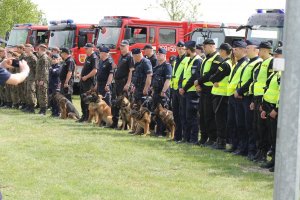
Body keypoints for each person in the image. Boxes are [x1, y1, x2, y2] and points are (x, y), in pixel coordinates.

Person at [234, 40, 262, 159]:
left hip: (250, 97)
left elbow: (251, 80)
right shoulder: (248, 62)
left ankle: (251, 150)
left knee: (250, 126)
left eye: (248, 48)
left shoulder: (258, 62)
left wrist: (240, 91)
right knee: (242, 124)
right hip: (243, 97)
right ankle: (243, 148)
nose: (246, 50)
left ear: (256, 50)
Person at [195, 38, 222, 146]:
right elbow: (202, 73)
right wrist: (199, 85)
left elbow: (211, 73)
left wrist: (198, 82)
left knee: (209, 115)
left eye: (205, 47)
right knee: (202, 114)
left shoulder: (217, 58)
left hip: (211, 90)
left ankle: (212, 138)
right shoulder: (206, 58)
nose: (203, 49)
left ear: (211, 46)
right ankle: (204, 137)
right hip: (204, 90)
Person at [251, 41, 274, 162]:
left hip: (264, 98)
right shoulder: (261, 63)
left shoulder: (271, 62)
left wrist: (263, 102)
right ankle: (259, 151)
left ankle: (263, 153)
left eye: (259, 49)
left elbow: (270, 82)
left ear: (265, 50)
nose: (258, 52)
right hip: (257, 97)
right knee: (257, 127)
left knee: (263, 128)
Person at [260, 47, 282, 172]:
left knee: (276, 138)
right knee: (271, 137)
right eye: (274, 56)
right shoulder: (276, 73)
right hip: (269, 107)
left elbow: (282, 94)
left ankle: (277, 163)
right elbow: (268, 90)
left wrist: (276, 109)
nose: (275, 58)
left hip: (276, 109)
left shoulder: (282, 75)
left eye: (278, 56)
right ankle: (273, 161)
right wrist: (264, 107)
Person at [225, 41, 249, 154]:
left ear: (244, 50)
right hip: (231, 96)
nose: (234, 51)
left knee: (240, 124)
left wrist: (240, 92)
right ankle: (235, 145)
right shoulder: (237, 63)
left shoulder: (245, 63)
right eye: (233, 49)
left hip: (239, 96)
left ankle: (241, 147)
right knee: (232, 122)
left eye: (237, 49)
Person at [209, 43, 232, 149]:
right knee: (221, 119)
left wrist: (213, 80)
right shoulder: (230, 62)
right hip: (222, 94)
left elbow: (215, 76)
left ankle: (221, 142)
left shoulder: (225, 64)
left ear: (223, 51)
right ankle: (221, 140)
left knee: (220, 120)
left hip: (220, 94)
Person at [178, 40, 201, 144]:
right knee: (184, 115)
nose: (184, 50)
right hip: (185, 92)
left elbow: (194, 77)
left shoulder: (198, 60)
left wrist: (184, 88)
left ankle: (193, 139)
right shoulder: (187, 59)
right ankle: (185, 137)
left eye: (186, 49)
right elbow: (182, 75)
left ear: (191, 49)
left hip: (192, 92)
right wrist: (180, 87)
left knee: (192, 116)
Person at [110, 40, 134, 128]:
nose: (122, 48)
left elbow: (131, 71)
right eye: (121, 46)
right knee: (116, 103)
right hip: (117, 83)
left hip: (124, 83)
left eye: (123, 46)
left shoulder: (129, 57)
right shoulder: (121, 56)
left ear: (128, 47)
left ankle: (127, 125)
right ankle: (115, 122)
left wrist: (128, 83)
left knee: (125, 106)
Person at [171, 41, 189, 142]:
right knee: (176, 114)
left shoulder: (187, 59)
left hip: (182, 89)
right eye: (179, 48)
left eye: (182, 48)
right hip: (174, 89)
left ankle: (183, 136)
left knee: (182, 114)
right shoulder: (176, 59)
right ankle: (177, 136)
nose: (180, 50)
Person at [151, 47, 172, 136]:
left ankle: (162, 132)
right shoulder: (156, 67)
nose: (158, 55)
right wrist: (152, 90)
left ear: (164, 55)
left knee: (163, 113)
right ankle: (157, 131)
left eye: (160, 54)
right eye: (157, 54)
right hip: (156, 92)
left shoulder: (167, 66)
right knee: (156, 112)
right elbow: (154, 79)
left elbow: (168, 80)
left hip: (163, 93)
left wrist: (163, 91)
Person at [78, 43, 98, 122]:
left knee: (87, 100)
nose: (85, 50)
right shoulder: (88, 57)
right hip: (83, 81)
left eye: (87, 48)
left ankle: (88, 117)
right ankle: (84, 116)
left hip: (89, 82)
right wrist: (81, 75)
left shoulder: (94, 57)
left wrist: (86, 77)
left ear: (92, 48)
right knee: (82, 99)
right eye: (85, 48)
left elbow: (95, 70)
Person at [36, 44, 51, 115]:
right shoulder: (40, 57)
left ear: (40, 49)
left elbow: (45, 70)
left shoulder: (44, 58)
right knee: (40, 94)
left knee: (43, 94)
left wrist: (42, 79)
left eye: (38, 49)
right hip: (39, 79)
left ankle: (43, 110)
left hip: (43, 79)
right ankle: (41, 109)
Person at [23, 44, 37, 113]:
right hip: (27, 77)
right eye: (25, 48)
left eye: (26, 48)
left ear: (31, 49)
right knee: (27, 92)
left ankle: (32, 107)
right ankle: (28, 105)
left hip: (32, 78)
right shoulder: (26, 57)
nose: (25, 49)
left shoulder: (33, 57)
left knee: (31, 92)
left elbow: (36, 69)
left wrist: (35, 78)